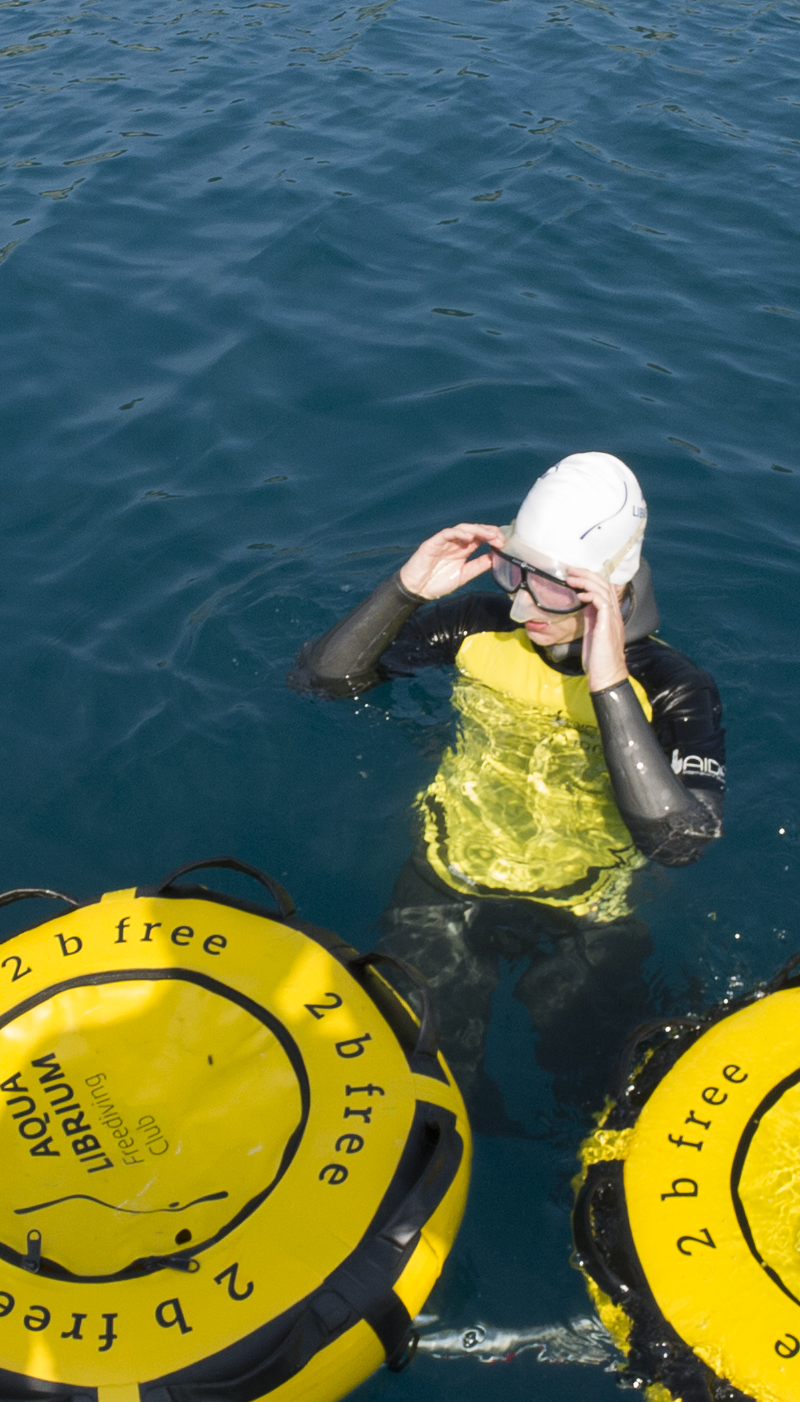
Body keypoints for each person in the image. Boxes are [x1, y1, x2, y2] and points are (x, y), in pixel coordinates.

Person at [290, 450, 726, 1119]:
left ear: (608, 587)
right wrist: (404, 590)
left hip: (585, 911)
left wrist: (607, 684)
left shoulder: (672, 688)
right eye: (511, 570)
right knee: (416, 1085)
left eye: (548, 588)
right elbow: (322, 683)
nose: (520, 605)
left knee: (604, 1097)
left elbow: (680, 841)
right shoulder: (476, 621)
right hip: (447, 877)